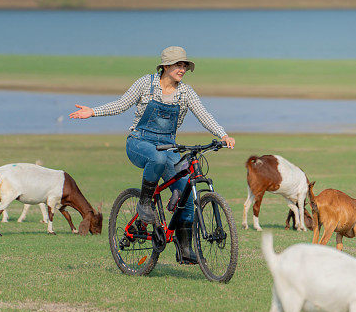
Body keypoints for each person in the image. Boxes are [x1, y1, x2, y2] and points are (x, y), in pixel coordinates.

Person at [70, 46, 235, 264]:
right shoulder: (145, 84)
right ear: (165, 66)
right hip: (139, 142)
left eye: (184, 65)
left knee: (186, 188)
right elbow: (121, 105)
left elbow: (203, 113)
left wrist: (222, 134)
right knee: (156, 158)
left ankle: (184, 248)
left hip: (169, 146)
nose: (182, 69)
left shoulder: (185, 92)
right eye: (178, 65)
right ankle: (144, 203)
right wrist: (93, 111)